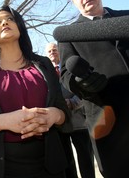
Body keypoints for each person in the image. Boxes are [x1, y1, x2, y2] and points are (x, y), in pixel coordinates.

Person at [0, 5, 72, 178]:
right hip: (0, 168)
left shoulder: (44, 64)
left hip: (50, 165)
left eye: (10, 19)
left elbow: (64, 112)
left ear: (19, 26)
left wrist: (54, 115)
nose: (5, 22)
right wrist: (3, 121)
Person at [58, 0, 129, 178]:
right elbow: (65, 76)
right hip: (106, 121)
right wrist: (82, 83)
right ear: (74, 2)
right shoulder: (68, 35)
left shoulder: (126, 18)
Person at [46, 42, 95, 178]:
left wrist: (73, 102)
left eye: (54, 50)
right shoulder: (45, 73)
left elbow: (83, 89)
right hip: (60, 125)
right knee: (67, 161)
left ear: (60, 51)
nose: (52, 53)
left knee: (86, 158)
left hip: (80, 122)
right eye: (49, 51)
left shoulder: (70, 68)